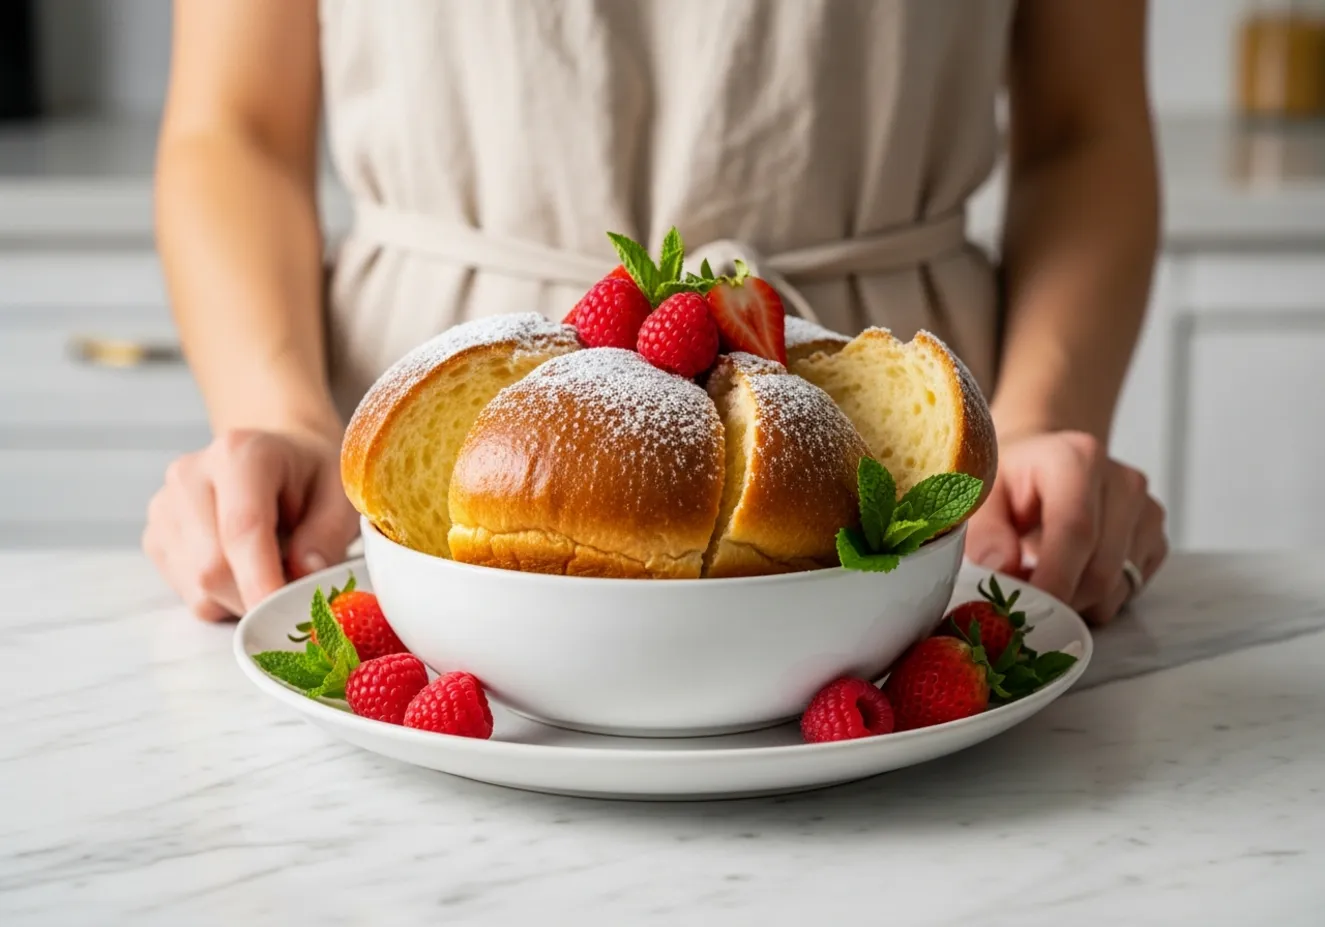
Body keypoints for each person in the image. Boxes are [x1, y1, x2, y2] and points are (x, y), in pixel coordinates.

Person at [145, 0, 1167, 625]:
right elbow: (235, 126)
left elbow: (1085, 128)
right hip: (438, 421)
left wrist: (1032, 420)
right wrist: (282, 416)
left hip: (872, 451)